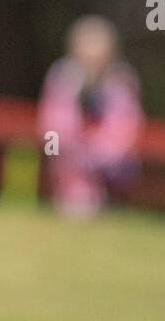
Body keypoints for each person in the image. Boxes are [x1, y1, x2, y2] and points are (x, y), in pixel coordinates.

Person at [37, 15, 144, 218]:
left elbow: (126, 128)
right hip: (67, 158)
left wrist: (96, 155)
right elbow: (52, 127)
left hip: (111, 167)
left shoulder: (120, 81)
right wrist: (68, 152)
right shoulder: (64, 77)